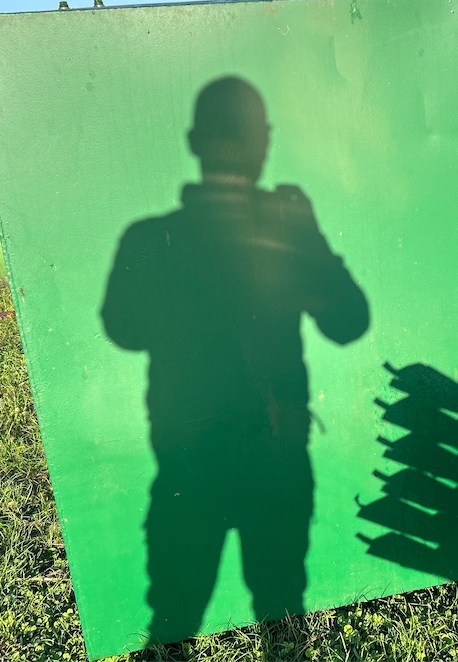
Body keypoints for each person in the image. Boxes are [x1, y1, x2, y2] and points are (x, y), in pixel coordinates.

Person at [101, 76, 369, 643]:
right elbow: (348, 322)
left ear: (194, 142)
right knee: (281, 605)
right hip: (276, 453)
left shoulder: (147, 239)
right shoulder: (286, 225)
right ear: (262, 142)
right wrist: (307, 238)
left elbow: (122, 331)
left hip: (186, 458)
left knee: (173, 618)